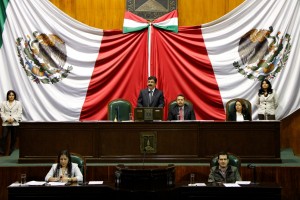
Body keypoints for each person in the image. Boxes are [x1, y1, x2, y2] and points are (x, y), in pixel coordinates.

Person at [0, 90, 22, 155]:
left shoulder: (18, 103)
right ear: (8, 96)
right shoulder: (3, 103)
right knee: (3, 136)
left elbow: (19, 113)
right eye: (10, 95)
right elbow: (2, 112)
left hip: (15, 123)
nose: (11, 96)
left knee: (14, 138)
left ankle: (11, 151)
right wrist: (6, 119)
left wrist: (13, 119)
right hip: (6, 123)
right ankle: (1, 151)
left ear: (14, 96)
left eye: (12, 95)